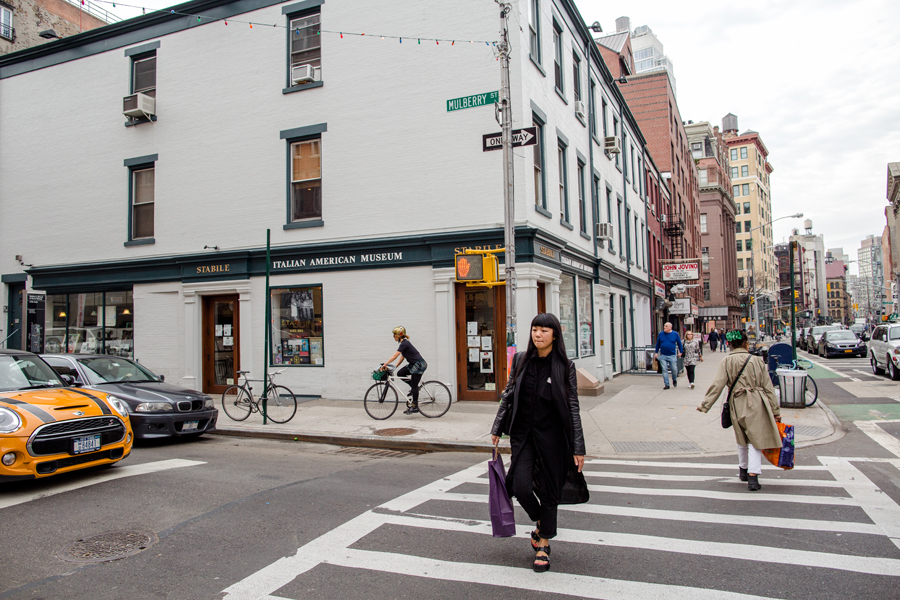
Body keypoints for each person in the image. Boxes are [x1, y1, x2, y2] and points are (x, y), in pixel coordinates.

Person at [491, 313, 588, 573]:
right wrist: (498, 426)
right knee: (520, 486)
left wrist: (578, 446)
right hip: (524, 436)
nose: (538, 334)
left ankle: (543, 545)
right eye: (535, 329)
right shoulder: (521, 359)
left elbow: (573, 407)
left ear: (554, 335)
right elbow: (509, 394)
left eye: (545, 330)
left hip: (553, 438)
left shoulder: (564, 366)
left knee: (548, 491)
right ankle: (541, 522)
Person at [696, 329, 782, 491]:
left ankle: (743, 470)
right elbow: (768, 386)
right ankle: (753, 476)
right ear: (744, 343)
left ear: (730, 344)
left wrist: (705, 405)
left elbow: (718, 385)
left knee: (741, 437)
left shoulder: (726, 361)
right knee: (756, 440)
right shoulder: (757, 361)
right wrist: (775, 410)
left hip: (737, 402)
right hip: (757, 402)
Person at [381, 326, 427, 415]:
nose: (393, 337)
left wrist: (385, 364)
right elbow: (402, 356)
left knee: (414, 386)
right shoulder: (404, 344)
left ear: (399, 335)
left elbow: (395, 355)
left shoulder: (404, 343)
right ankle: (414, 388)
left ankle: (415, 407)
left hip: (419, 365)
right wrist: (396, 366)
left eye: (394, 335)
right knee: (400, 373)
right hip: (414, 364)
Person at [654, 322, 683, 389]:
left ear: (670, 327)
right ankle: (667, 384)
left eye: (666, 326)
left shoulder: (675, 334)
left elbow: (679, 343)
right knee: (664, 370)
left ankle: (674, 379)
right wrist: (656, 352)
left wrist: (680, 352)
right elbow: (658, 344)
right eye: (664, 326)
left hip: (672, 355)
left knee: (674, 369)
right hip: (663, 355)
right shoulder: (661, 334)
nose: (664, 327)